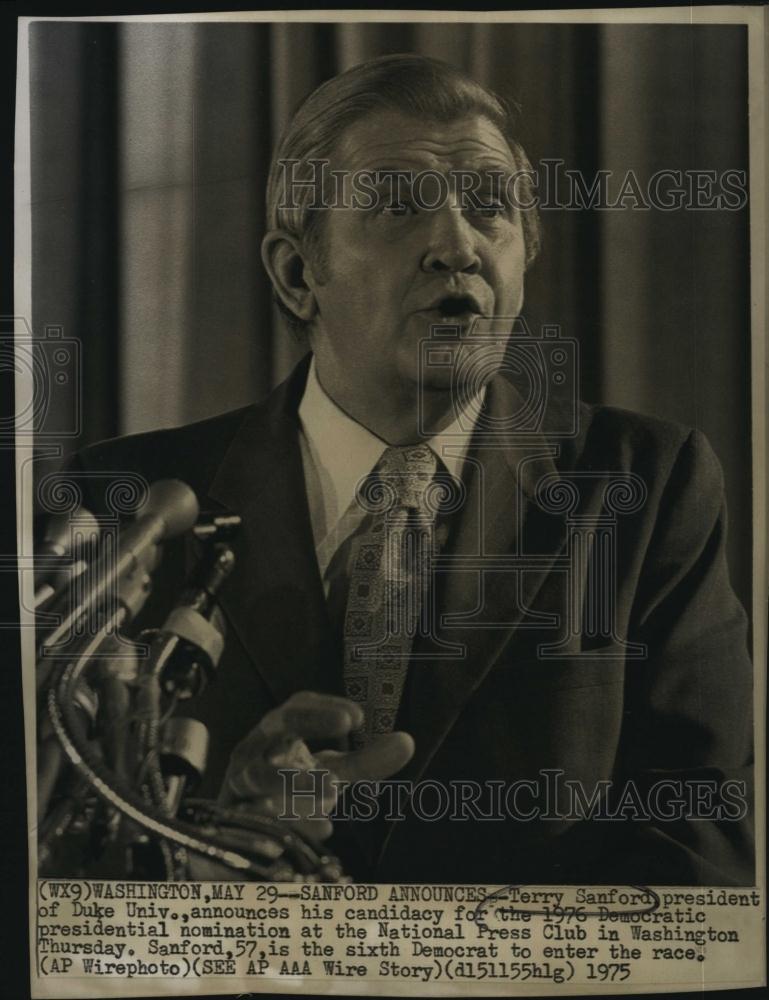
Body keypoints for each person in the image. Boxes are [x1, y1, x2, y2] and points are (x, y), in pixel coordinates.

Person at [63, 54, 753, 885]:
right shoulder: (127, 506)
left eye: (490, 209)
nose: (457, 246)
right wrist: (201, 858)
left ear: (525, 256)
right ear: (296, 272)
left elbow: (702, 848)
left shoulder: (643, 488)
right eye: (396, 206)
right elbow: (59, 863)